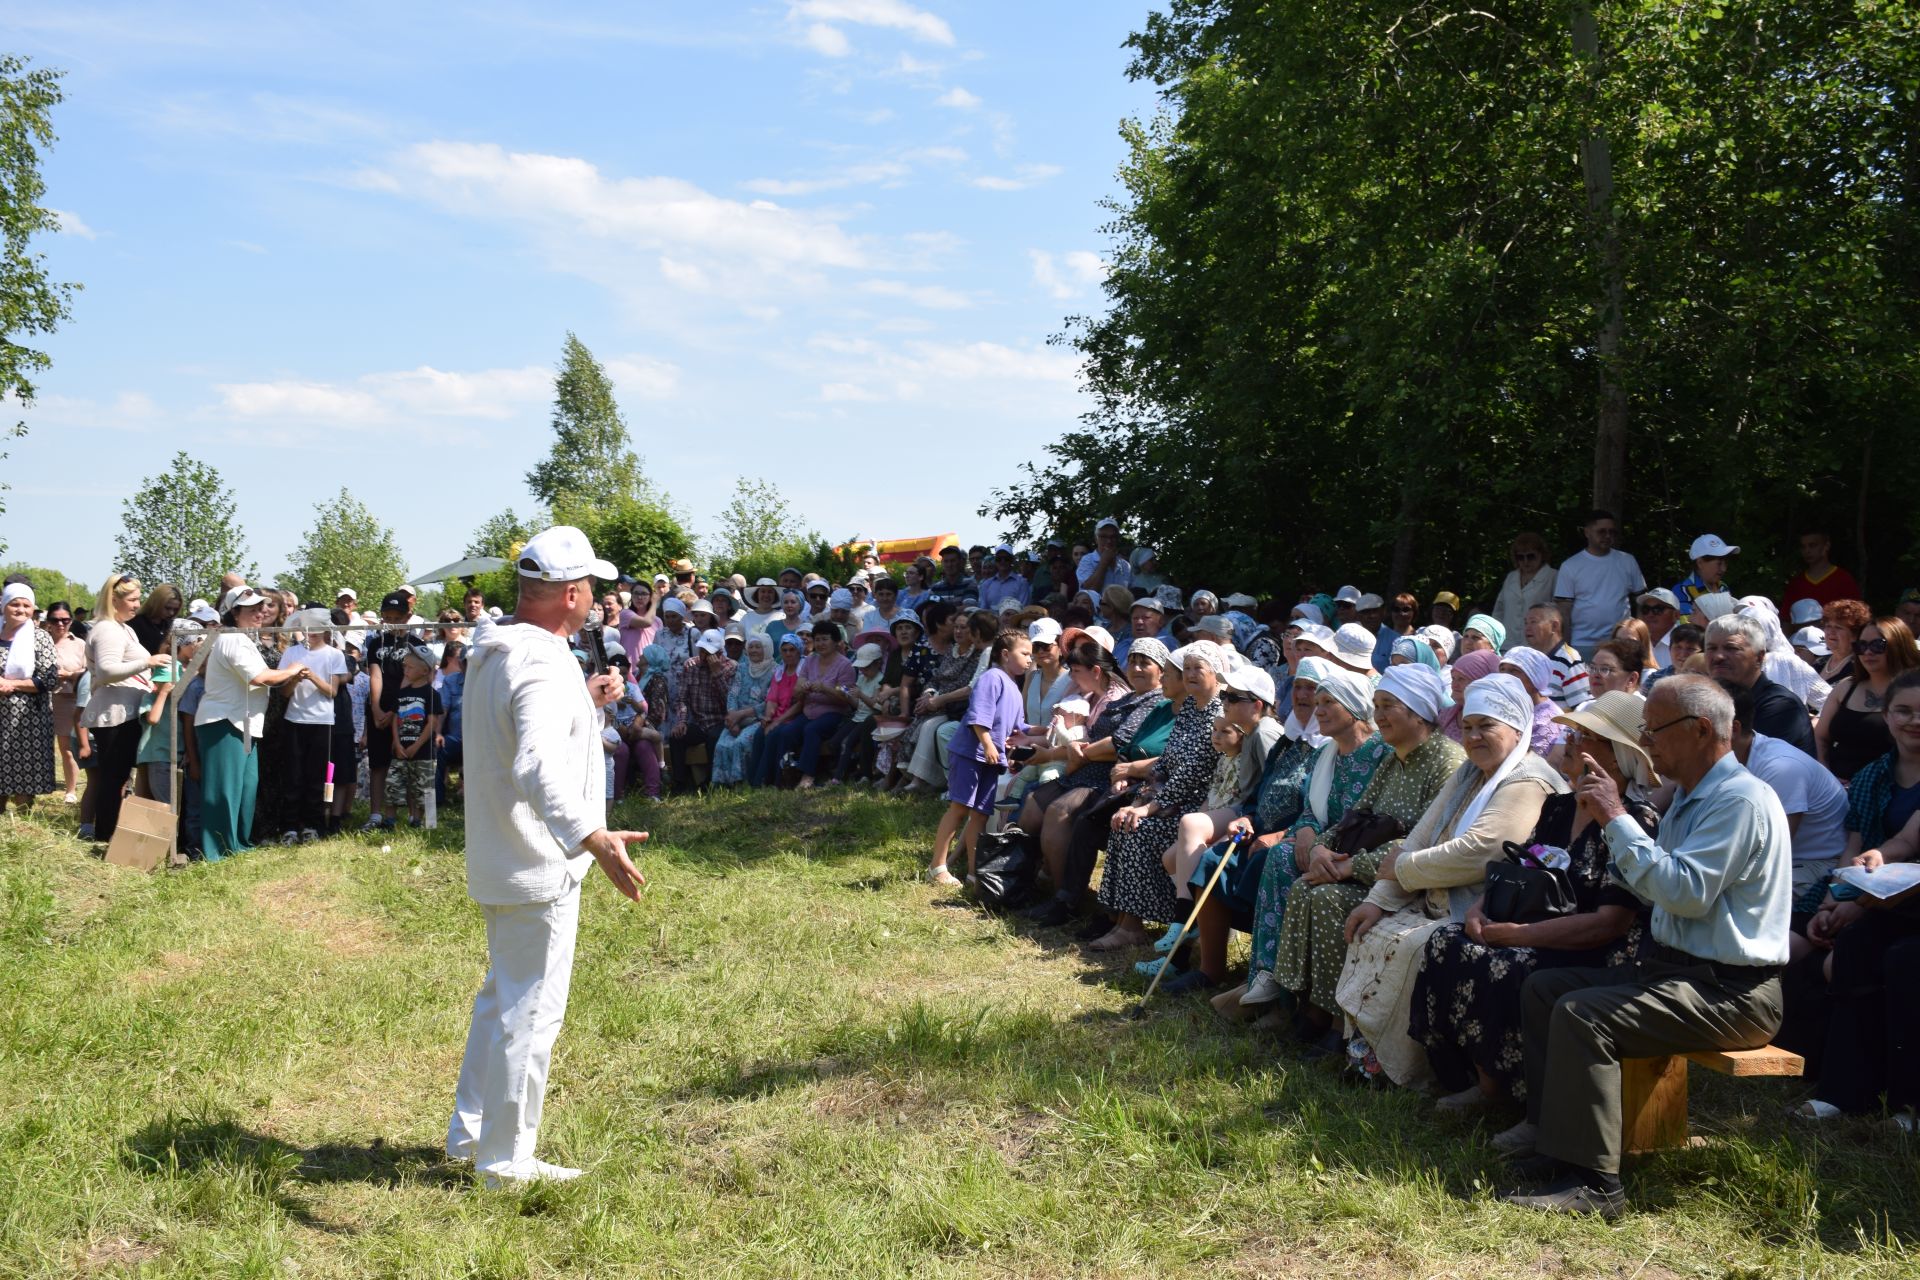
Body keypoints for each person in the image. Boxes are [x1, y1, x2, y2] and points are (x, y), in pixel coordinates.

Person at [1502, 676, 1790, 1220]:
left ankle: (1595, 1184)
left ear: (1700, 729)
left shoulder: (1739, 800)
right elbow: (1652, 884)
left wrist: (1615, 818)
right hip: (1680, 975)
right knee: (1544, 989)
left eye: (1653, 730)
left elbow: (1683, 893)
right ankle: (1554, 1140)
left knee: (1584, 1015)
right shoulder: (1692, 796)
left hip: (1733, 992)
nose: (1645, 742)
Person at [447, 525, 646, 1188]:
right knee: (530, 1014)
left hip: (506, 855)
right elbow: (534, 763)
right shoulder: (537, 660)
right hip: (538, 862)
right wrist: (592, 835)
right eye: (590, 586)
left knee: (502, 1002)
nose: (593, 598)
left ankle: (471, 1136)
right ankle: (506, 1163)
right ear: (570, 594)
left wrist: (583, 702)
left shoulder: (504, 650)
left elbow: (521, 733)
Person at [1412, 690, 1657, 1109]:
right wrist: (1479, 911)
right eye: (1573, 732)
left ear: (1617, 757)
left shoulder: (1635, 820)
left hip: (1594, 948)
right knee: (1446, 941)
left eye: (1585, 736)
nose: (1570, 741)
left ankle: (1519, 1094)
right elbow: (1518, 866)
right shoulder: (1559, 807)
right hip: (1533, 926)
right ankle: (1476, 1076)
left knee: (1508, 966)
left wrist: (1517, 935)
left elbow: (1610, 923)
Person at [1336, 673, 1566, 1087]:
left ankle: (1408, 1069)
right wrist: (1378, 899)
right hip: (1435, 896)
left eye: (1486, 726)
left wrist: (1402, 868)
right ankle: (1366, 1056)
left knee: (1412, 947)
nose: (1473, 736)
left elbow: (1481, 852)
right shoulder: (1470, 773)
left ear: (1517, 728)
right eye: (1468, 725)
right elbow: (1422, 835)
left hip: (1483, 907)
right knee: (1371, 930)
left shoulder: (1529, 779)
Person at [1237, 662, 1392, 1007]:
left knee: (1288, 862)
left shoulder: (1382, 753)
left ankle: (1305, 997)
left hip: (1354, 854)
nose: (1318, 711)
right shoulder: (1325, 753)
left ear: (1353, 707)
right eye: (1317, 703)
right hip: (1321, 845)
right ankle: (1268, 973)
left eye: (1328, 703)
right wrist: (1306, 830)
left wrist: (1322, 845)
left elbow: (1376, 819)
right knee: (1279, 856)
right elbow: (1311, 807)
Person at [1091, 645, 1227, 951]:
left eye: (1198, 668)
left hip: (1198, 805)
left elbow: (1192, 773)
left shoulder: (1217, 713)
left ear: (1216, 673)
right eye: (1187, 668)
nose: (1190, 675)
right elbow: (1166, 762)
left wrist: (1148, 809)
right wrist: (1139, 802)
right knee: (1123, 822)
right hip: (1168, 796)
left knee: (1140, 830)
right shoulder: (1191, 706)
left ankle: (1132, 927)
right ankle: (1120, 919)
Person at [194, 587, 313, 861]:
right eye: (252, 609)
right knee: (224, 790)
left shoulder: (243, 639)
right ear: (234, 613)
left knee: (246, 787)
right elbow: (260, 678)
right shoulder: (233, 638)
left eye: (262, 608)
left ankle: (237, 845)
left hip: (243, 724)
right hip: (224, 722)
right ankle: (217, 851)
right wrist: (293, 669)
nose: (260, 613)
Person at [1722, 679, 1847, 926]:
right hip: (1776, 857)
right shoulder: (1719, 758)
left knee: (1725, 906)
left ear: (1732, 729)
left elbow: (1769, 851)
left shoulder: (1780, 768)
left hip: (1815, 864)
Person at [927, 630, 1036, 885]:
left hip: (990, 760)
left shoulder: (1014, 686)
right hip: (971, 753)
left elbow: (1019, 726)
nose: (1030, 659)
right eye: (1025, 653)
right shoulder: (991, 678)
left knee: (980, 815)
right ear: (1006, 654)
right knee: (959, 808)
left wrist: (1047, 730)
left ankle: (974, 873)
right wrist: (988, 744)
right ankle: (937, 867)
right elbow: (979, 716)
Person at [82, 572, 174, 842]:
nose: (137, 604)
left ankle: (114, 834)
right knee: (114, 778)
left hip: (126, 713)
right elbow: (106, 671)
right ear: (114, 599)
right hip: (114, 716)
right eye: (132, 599)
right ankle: (106, 835)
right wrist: (148, 662)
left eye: (138, 599)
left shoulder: (124, 628)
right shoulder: (107, 630)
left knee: (120, 777)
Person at [1814, 616, 1917, 783]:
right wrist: (1826, 775)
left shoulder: (1914, 690)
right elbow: (1820, 737)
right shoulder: (1846, 687)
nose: (1868, 652)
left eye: (1877, 645)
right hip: (1834, 787)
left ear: (1898, 646)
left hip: (1889, 788)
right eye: (1861, 646)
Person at [277, 609, 348, 843]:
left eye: (317, 632)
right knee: (293, 775)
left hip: (322, 721)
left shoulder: (334, 655)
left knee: (317, 776)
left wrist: (312, 677)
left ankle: (312, 824)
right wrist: (295, 678)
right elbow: (284, 693)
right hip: (295, 719)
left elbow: (332, 691)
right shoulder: (292, 652)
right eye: (309, 632)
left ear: (326, 631)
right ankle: (289, 826)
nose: (312, 636)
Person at [759, 621, 856, 789]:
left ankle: (807, 776)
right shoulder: (810, 661)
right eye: (817, 640)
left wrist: (825, 689)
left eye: (825, 639)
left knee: (812, 729)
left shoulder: (845, 665)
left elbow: (846, 696)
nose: (820, 643)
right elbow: (797, 691)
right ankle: (780, 779)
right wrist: (802, 688)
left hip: (834, 713)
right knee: (786, 732)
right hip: (809, 711)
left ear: (835, 641)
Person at [1703, 613, 1815, 757]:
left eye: (1731, 648)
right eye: (1711, 648)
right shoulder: (1712, 701)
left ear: (1759, 657)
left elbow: (1744, 762)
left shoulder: (1780, 707)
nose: (1719, 657)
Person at [1554, 510, 1646, 659]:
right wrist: (1565, 648)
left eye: (1612, 532)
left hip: (1621, 642)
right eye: (1602, 531)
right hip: (1582, 643)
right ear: (1587, 532)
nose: (1608, 536)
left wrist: (1640, 635)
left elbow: (1642, 601)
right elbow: (1564, 610)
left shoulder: (1627, 561)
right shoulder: (1570, 566)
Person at [0, 583, 59, 811]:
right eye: (15, 604)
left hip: (29, 721)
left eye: (26, 605)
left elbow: (50, 679)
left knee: (26, 774)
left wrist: (11, 684)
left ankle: (23, 820)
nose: (21, 610)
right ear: (4, 606)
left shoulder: (40, 637)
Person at [669, 629, 736, 793]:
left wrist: (717, 674)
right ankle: (680, 783)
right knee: (676, 736)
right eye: (702, 651)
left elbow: (730, 703)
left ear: (719, 653)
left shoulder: (731, 667)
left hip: (721, 721)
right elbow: (682, 699)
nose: (704, 656)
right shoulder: (691, 665)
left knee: (714, 737)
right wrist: (682, 721)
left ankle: (712, 783)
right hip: (699, 722)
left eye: (708, 653)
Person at [710, 632, 777, 787]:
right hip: (736, 718)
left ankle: (743, 783)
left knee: (741, 743)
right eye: (751, 647)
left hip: (759, 719)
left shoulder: (775, 671)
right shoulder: (742, 668)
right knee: (721, 744)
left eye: (758, 647)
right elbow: (733, 694)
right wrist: (733, 718)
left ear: (766, 648)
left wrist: (741, 715)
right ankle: (722, 785)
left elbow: (770, 702)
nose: (753, 650)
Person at [388, 640, 443, 826]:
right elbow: (395, 719)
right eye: (405, 666)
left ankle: (428, 822)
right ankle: (389, 820)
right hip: (400, 750)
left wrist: (416, 745)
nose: (405, 670)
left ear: (425, 671)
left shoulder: (432, 694)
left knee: (426, 789)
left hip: (424, 752)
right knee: (393, 784)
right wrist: (397, 743)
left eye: (410, 667)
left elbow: (432, 722)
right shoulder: (401, 693)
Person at [45, 602, 86, 803]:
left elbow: (89, 672)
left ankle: (70, 790)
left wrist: (69, 674)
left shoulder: (80, 644)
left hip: (68, 699)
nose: (60, 624)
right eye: (55, 620)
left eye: (65, 619)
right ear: (48, 621)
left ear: (71, 620)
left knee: (66, 747)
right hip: (40, 698)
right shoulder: (39, 641)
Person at [1492, 533, 1557, 652]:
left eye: (1531, 556)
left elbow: (1557, 614)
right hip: (1507, 645)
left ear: (1541, 554)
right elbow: (1499, 611)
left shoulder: (1552, 576)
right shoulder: (1511, 577)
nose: (1525, 561)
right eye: (1520, 557)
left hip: (1538, 647)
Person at [1521, 604, 1590, 710]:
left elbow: (1583, 707)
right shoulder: (1525, 658)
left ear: (1554, 626)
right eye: (1526, 623)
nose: (1527, 628)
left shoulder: (1570, 660)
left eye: (1533, 622)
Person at [1783, 529, 1861, 614]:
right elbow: (1787, 617)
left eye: (1812, 545)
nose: (1807, 550)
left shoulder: (1843, 579)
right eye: (1803, 547)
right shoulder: (1796, 583)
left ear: (1826, 546)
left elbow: (1855, 615)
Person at [1672, 534, 1738, 609]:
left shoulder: (1723, 587)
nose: (1723, 569)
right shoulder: (1683, 591)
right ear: (1700, 563)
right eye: (1719, 564)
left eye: (1725, 563)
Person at [1818, 598, 1870, 687]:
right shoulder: (1819, 663)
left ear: (1855, 634)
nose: (1831, 632)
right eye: (1828, 626)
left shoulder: (1859, 668)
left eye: (1838, 627)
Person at [1077, 517, 1132, 593]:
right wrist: (1104, 562)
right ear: (1096, 539)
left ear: (1118, 539)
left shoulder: (1125, 566)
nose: (1109, 541)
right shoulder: (1087, 560)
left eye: (1113, 537)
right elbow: (1089, 592)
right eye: (1103, 536)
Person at [1633, 588, 1683, 667]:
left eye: (1658, 609)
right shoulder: (1635, 641)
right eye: (1646, 609)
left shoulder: (1686, 644)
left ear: (1676, 615)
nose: (1650, 614)